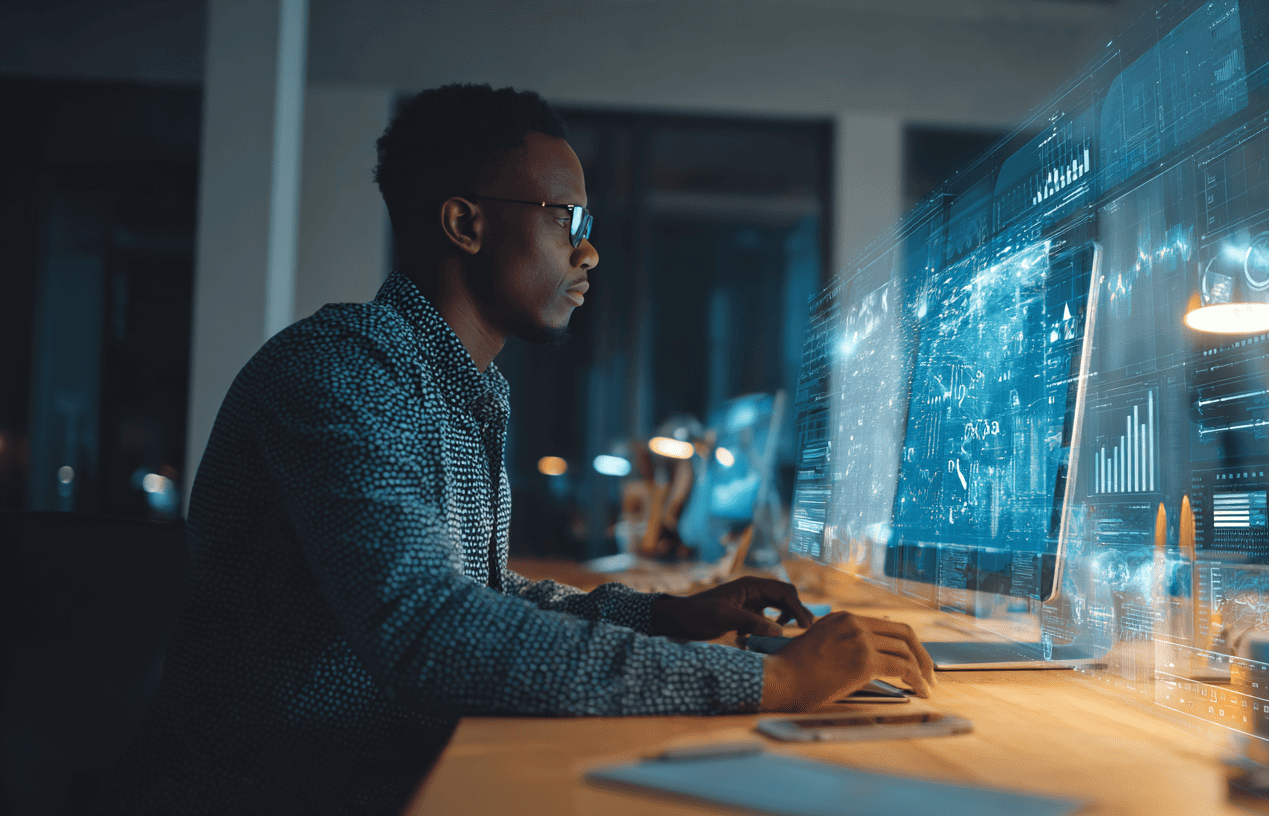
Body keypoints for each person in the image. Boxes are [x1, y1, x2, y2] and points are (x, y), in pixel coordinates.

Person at [98, 83, 933, 815]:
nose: (589, 248)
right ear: (464, 223)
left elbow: (479, 598)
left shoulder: (462, 389)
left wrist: (671, 614)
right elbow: (428, 631)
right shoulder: (343, 370)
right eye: (567, 218)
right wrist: (772, 683)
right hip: (279, 795)